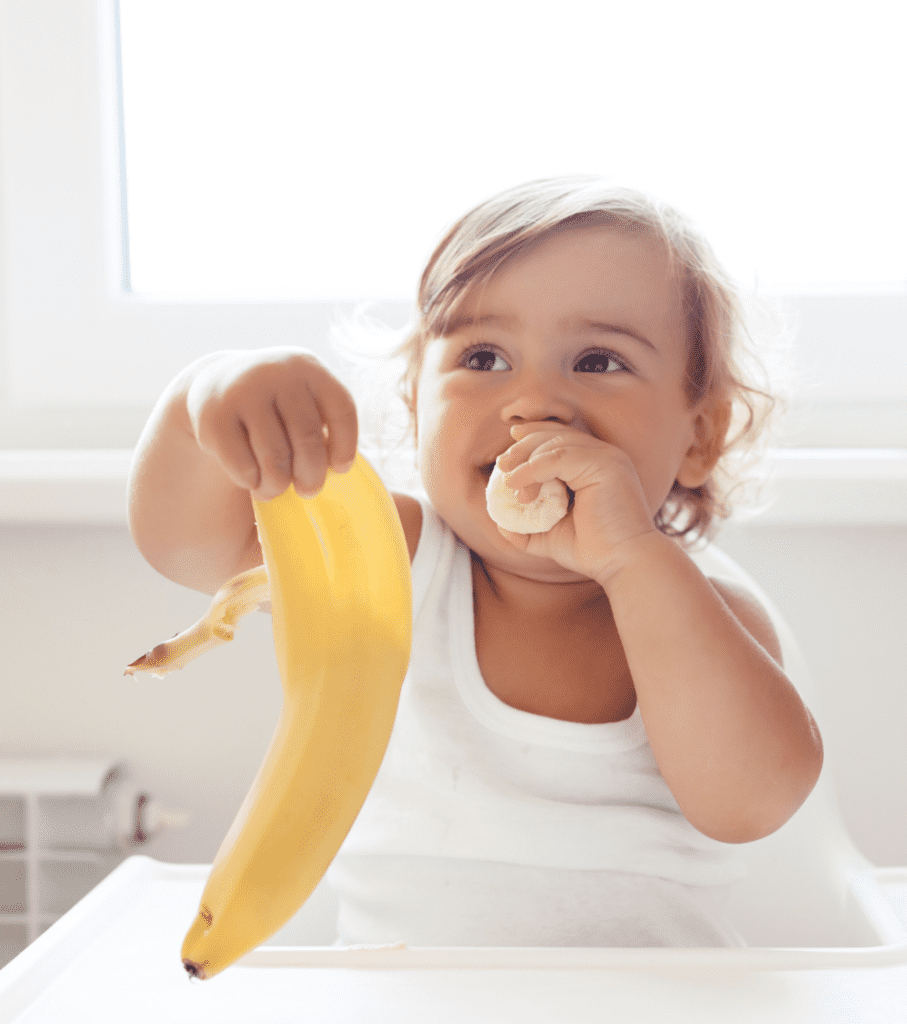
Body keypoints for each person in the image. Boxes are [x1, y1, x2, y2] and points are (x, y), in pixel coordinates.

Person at [128, 175, 823, 948]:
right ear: (415, 404)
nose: (533, 402)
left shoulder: (706, 609)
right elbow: (188, 546)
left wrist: (633, 560)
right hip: (406, 1001)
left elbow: (751, 802)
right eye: (484, 356)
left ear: (701, 434)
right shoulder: (391, 561)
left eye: (597, 361)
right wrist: (207, 396)